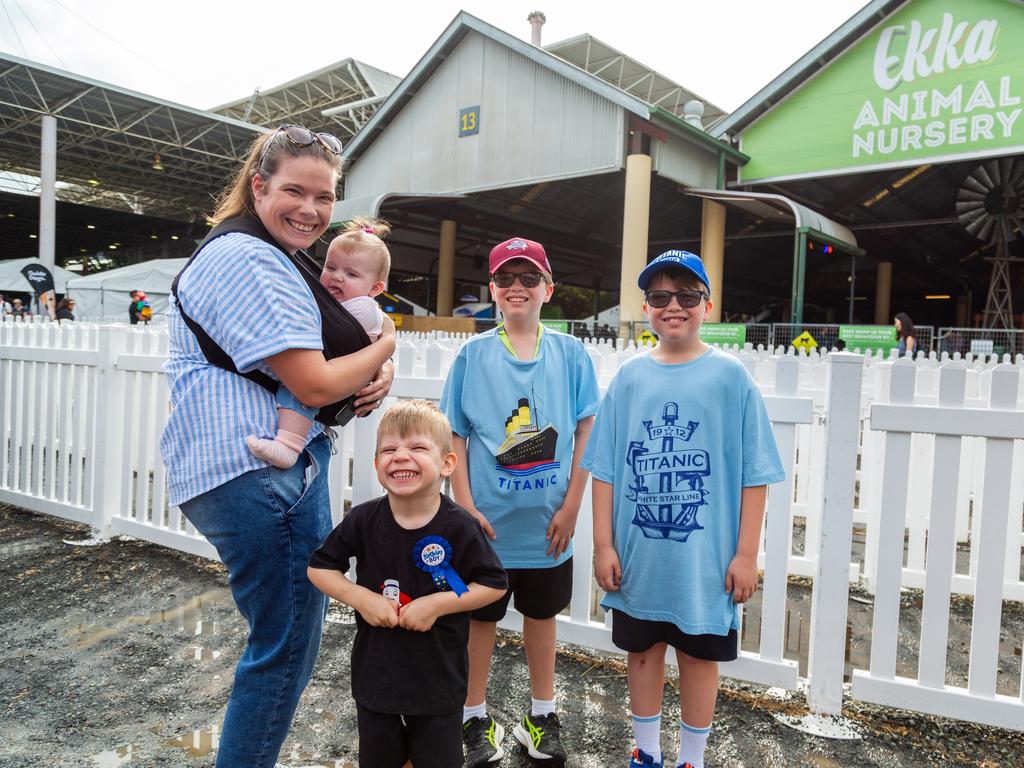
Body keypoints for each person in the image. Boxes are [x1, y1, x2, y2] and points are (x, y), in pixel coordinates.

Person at [159, 123, 396, 768]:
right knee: (286, 644)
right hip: (257, 470)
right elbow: (314, 380)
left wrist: (372, 366)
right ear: (258, 186)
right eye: (294, 190)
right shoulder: (248, 257)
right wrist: (386, 348)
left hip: (241, 468)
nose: (311, 210)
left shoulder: (261, 254)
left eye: (324, 197)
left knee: (279, 638)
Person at [581, 250, 785, 768]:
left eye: (688, 296)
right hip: (640, 558)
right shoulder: (629, 378)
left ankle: (692, 759)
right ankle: (645, 753)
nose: (674, 306)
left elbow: (754, 474)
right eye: (660, 296)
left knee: (699, 659)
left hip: (705, 562)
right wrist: (603, 543)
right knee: (643, 655)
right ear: (646, 307)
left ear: (708, 305)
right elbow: (604, 468)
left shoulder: (730, 378)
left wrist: (745, 553)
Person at [440, 236, 600, 767]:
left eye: (529, 278)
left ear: (547, 289)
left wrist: (573, 504)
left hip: (549, 525)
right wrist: (463, 506)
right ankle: (473, 715)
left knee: (542, 614)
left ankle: (541, 713)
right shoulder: (473, 355)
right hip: (487, 525)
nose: (517, 287)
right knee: (479, 621)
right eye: (505, 278)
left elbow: (585, 430)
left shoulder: (570, 354)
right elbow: (456, 436)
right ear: (491, 289)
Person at [307, 399, 508, 768]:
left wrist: (439, 603)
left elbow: (492, 584)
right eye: (388, 450)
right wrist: (361, 598)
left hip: (439, 685)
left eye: (416, 447)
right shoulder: (363, 520)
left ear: (447, 463)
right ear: (376, 464)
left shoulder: (461, 526)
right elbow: (320, 568)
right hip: (375, 680)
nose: (400, 456)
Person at [246, 216, 390, 468]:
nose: (337, 277)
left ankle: (288, 446)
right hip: (342, 373)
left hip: (337, 374)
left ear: (375, 288)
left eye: (351, 273)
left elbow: (331, 330)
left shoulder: (362, 308)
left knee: (298, 390)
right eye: (330, 267)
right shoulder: (348, 304)